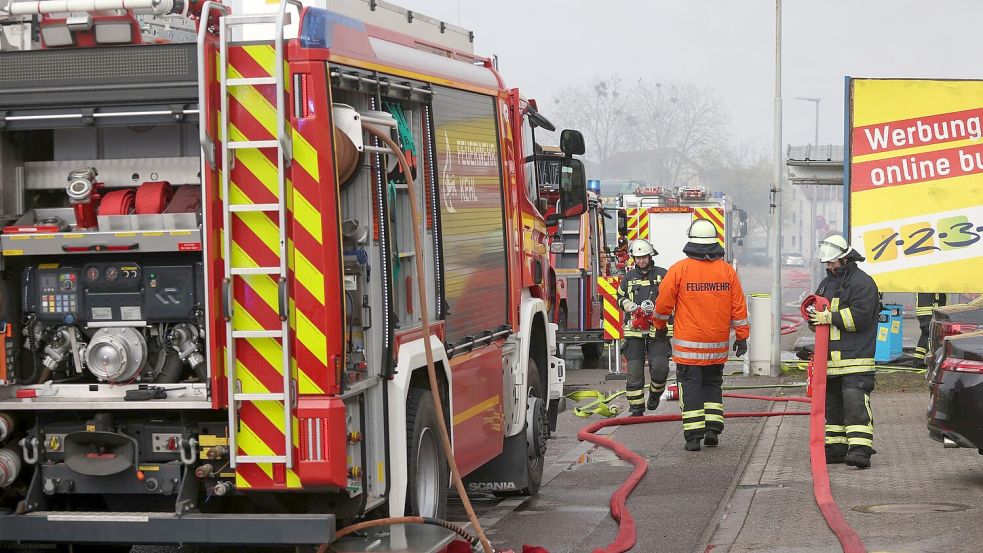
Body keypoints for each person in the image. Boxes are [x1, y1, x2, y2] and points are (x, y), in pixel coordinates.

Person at [652, 219, 749, 451]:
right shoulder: (727, 271)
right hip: (717, 346)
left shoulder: (679, 270)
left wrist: (659, 327)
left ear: (691, 241)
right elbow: (739, 307)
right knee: (713, 384)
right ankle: (712, 429)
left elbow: (663, 304)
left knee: (691, 387)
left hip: (689, 349)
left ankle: (693, 437)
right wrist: (742, 336)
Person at [809, 234, 880, 469]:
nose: (828, 266)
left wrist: (829, 317)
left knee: (855, 404)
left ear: (844, 258)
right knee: (833, 407)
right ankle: (836, 448)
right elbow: (818, 313)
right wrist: (813, 317)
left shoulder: (863, 283)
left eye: (832, 262)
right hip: (830, 361)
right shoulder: (827, 283)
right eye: (827, 263)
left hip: (856, 359)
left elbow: (860, 317)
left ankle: (860, 450)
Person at [616, 238, 671, 417]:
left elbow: (673, 296)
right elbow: (619, 297)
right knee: (634, 372)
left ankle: (655, 394)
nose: (641, 261)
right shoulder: (628, 278)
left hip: (659, 329)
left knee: (661, 367)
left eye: (644, 257)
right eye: (638, 258)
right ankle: (636, 408)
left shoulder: (663, 275)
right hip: (634, 330)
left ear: (650, 256)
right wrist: (629, 305)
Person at [914, 293, 947, 365]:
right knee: (931, 335)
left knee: (925, 334)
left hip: (923, 310)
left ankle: (918, 359)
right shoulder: (935, 283)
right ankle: (931, 359)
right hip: (930, 310)